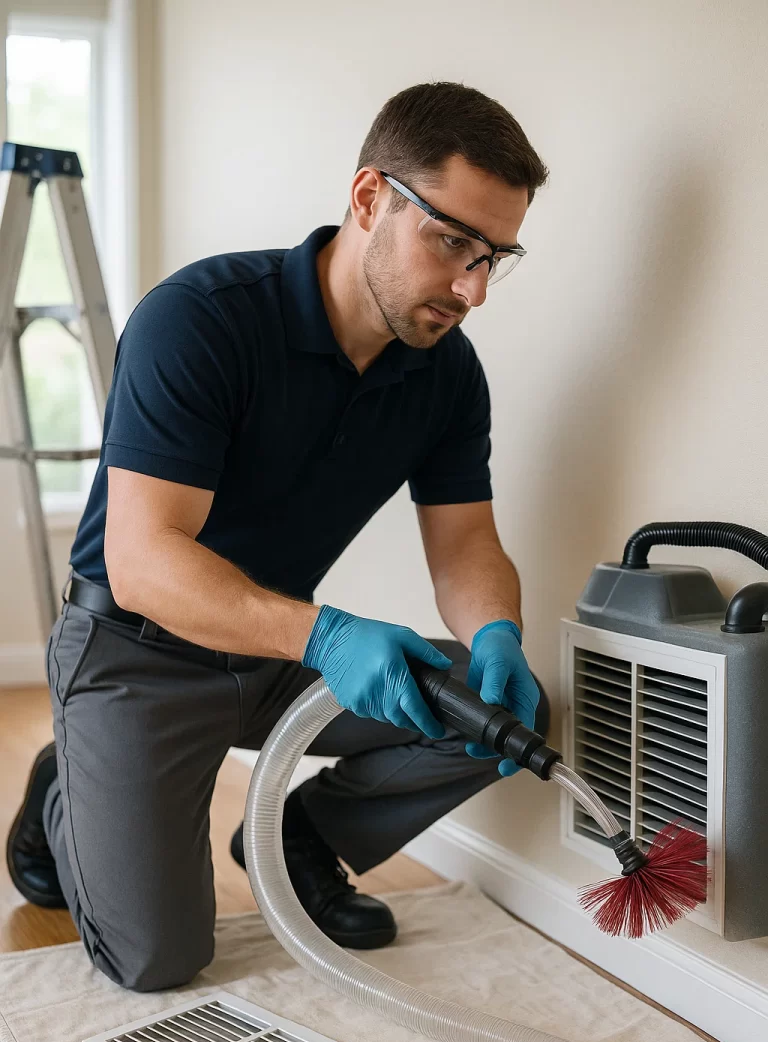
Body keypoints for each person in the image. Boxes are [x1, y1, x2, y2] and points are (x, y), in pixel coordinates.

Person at [7, 81, 550, 993]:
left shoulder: (447, 373)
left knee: (504, 719)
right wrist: (327, 635)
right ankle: (69, 782)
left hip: (275, 655)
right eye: (453, 241)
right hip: (137, 651)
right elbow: (142, 562)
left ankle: (299, 845)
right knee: (157, 960)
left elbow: (465, 547)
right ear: (370, 198)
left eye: (496, 256)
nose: (474, 288)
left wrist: (498, 631)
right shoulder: (204, 319)